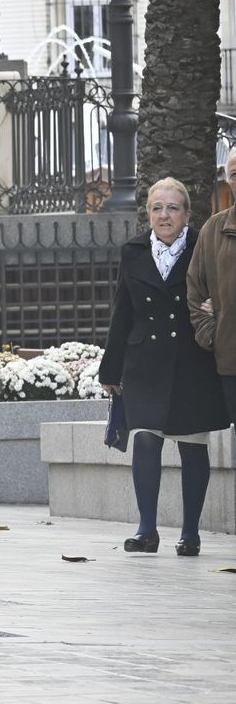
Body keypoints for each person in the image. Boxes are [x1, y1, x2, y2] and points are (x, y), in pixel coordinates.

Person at [102, 177, 227, 557]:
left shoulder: (202, 247)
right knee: (144, 438)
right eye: (157, 208)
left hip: (193, 361)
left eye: (173, 208)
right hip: (145, 363)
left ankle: (190, 533)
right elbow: (121, 311)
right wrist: (110, 369)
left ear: (187, 214)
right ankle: (146, 531)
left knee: (192, 447)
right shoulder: (133, 250)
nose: (164, 215)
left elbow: (225, 288)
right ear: (148, 213)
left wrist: (216, 308)